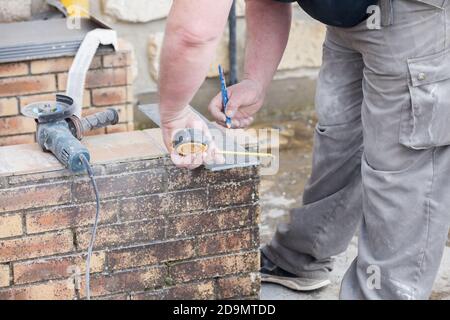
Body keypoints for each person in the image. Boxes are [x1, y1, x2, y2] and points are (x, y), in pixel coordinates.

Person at [158, 0, 450, 299]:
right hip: (349, 15)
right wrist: (255, 81)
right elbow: (268, 0)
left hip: (416, 15)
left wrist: (174, 115)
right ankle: (301, 258)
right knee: (340, 140)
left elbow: (193, 33)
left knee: (402, 167)